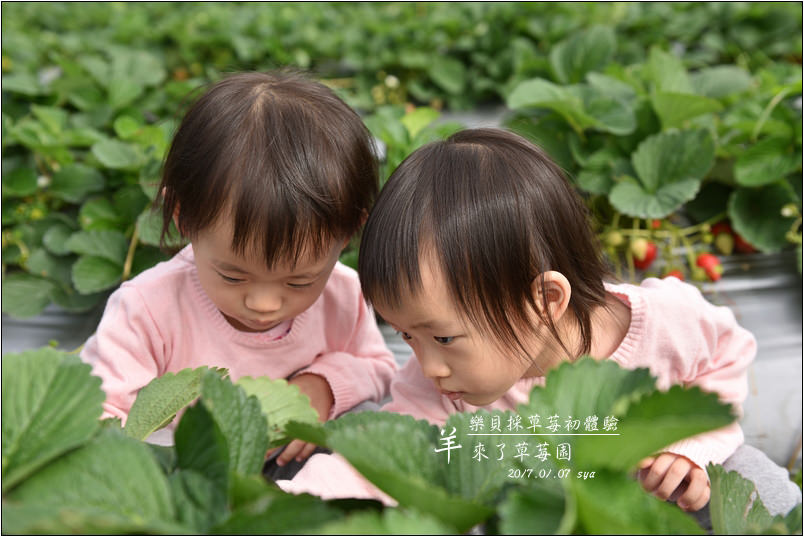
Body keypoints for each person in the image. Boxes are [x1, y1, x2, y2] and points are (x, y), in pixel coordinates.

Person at [280, 127, 759, 512]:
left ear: (545, 300)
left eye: (444, 336)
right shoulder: (440, 393)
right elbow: (384, 457)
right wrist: (286, 507)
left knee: (759, 487)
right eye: (407, 335)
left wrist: (692, 446)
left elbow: (725, 361)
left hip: (642, 508)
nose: (427, 366)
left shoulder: (667, 326)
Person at [80, 71, 397, 468]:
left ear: (349, 232)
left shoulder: (343, 293)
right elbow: (100, 409)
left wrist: (323, 387)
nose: (263, 303)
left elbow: (381, 367)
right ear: (183, 217)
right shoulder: (146, 309)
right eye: (233, 275)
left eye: (299, 280)